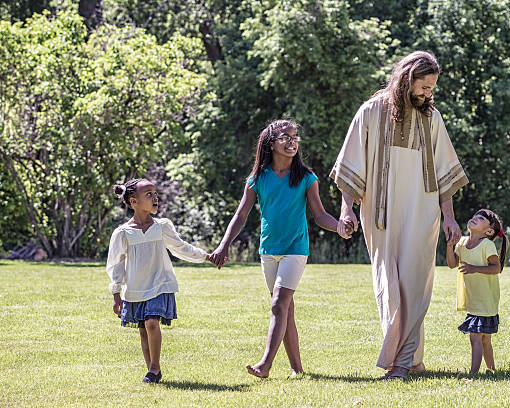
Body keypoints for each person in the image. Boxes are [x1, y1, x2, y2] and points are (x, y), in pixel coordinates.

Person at [330, 51, 469, 379]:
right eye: (424, 86)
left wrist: (449, 218)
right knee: (389, 287)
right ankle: (410, 359)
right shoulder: (370, 112)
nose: (428, 93)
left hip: (422, 215)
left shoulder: (432, 118)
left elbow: (444, 173)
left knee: (415, 285)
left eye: (431, 87)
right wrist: (345, 210)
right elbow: (352, 167)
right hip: (380, 215)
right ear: (408, 80)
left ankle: (403, 363)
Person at [208, 119, 350, 378]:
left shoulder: (307, 178)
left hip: (295, 249)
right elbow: (240, 216)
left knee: (278, 304)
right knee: (285, 310)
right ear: (271, 143)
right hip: (267, 250)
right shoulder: (257, 179)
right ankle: (298, 369)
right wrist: (223, 245)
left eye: (295, 137)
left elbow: (319, 215)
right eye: (286, 137)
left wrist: (339, 226)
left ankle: (265, 364)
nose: (292, 141)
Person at [106, 178, 212, 383]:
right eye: (148, 194)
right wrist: (116, 293)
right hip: (136, 288)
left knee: (152, 323)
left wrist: (205, 256)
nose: (155, 197)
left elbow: (181, 248)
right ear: (133, 201)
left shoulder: (162, 226)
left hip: (160, 284)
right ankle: (152, 371)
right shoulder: (122, 233)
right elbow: (115, 264)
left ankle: (154, 368)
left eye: (155, 193)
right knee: (143, 331)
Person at [446, 209, 509, 374]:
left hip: (486, 299)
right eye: (474, 216)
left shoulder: (487, 245)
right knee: (485, 339)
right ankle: (492, 370)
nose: (474, 218)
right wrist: (450, 245)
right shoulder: (463, 243)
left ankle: (473, 374)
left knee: (476, 336)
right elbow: (452, 264)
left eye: (480, 218)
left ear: (488, 231)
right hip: (474, 300)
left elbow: (496, 268)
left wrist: (474, 268)